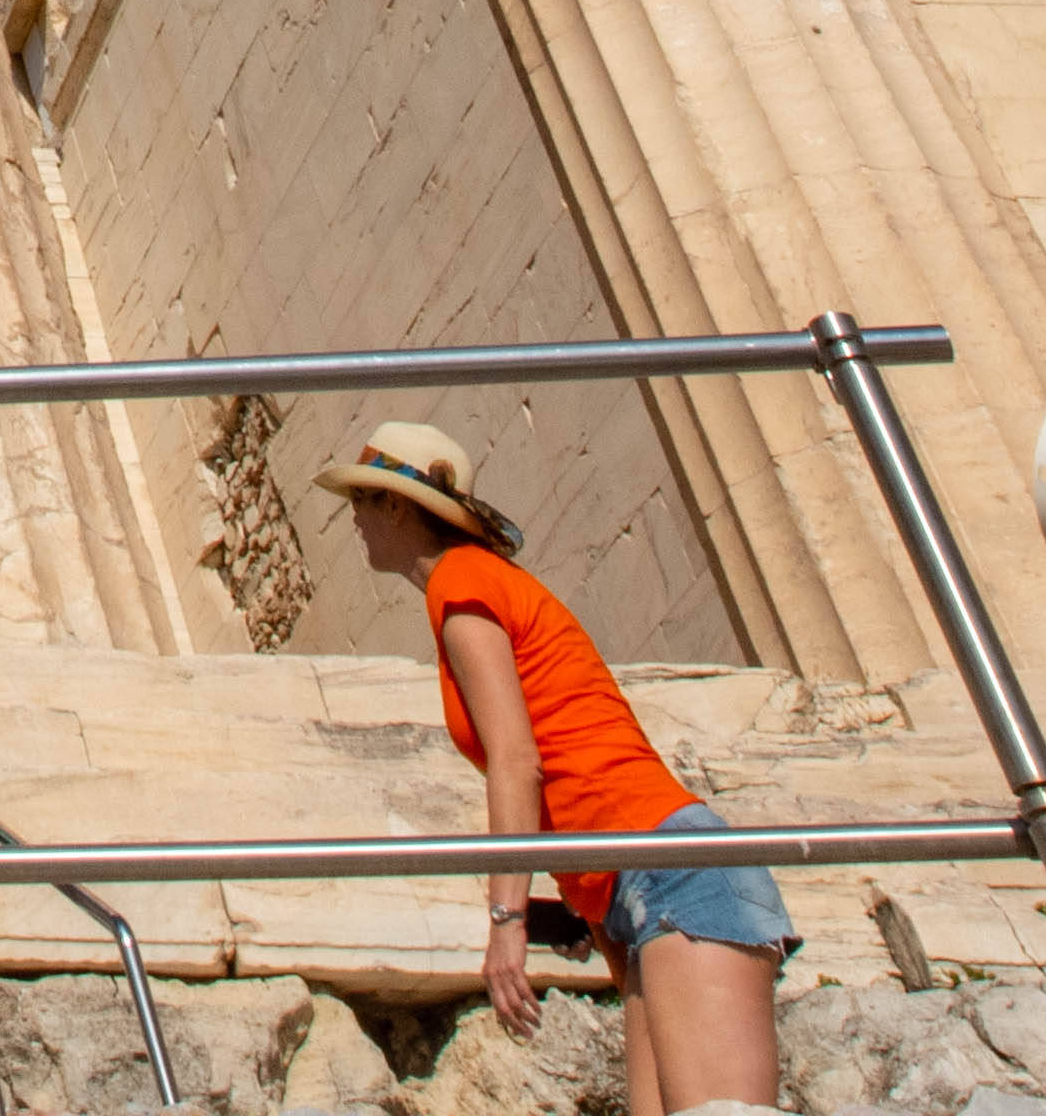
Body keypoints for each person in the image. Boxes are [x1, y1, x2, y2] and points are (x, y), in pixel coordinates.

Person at [320, 421, 791, 1116]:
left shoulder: (462, 582)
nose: (352, 517)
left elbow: (516, 758)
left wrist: (507, 919)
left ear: (396, 506)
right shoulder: (472, 587)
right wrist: (569, 905)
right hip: (645, 887)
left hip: (676, 872)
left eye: (361, 500)